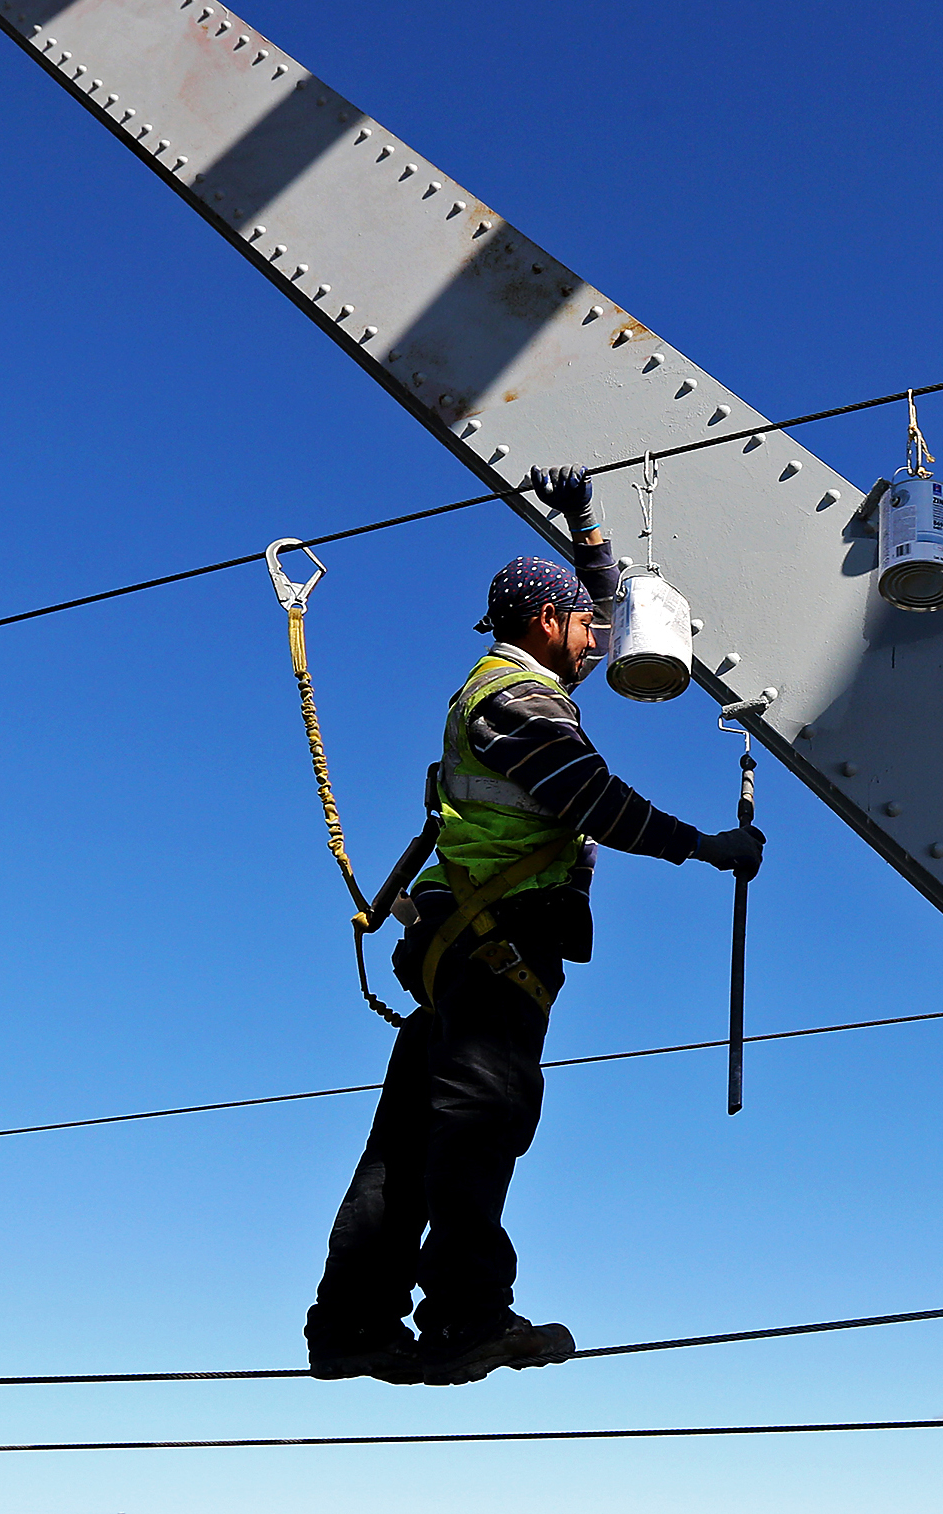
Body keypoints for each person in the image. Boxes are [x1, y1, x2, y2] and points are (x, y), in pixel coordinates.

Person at [304, 465, 765, 1387]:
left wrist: (586, 523)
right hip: (495, 951)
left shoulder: (511, 678)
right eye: (585, 626)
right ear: (545, 627)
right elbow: (589, 797)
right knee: (482, 1119)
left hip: (461, 948)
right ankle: (466, 1319)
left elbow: (588, 602)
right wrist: (708, 848)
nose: (599, 638)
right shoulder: (520, 701)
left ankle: (354, 1326)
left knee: (406, 1140)